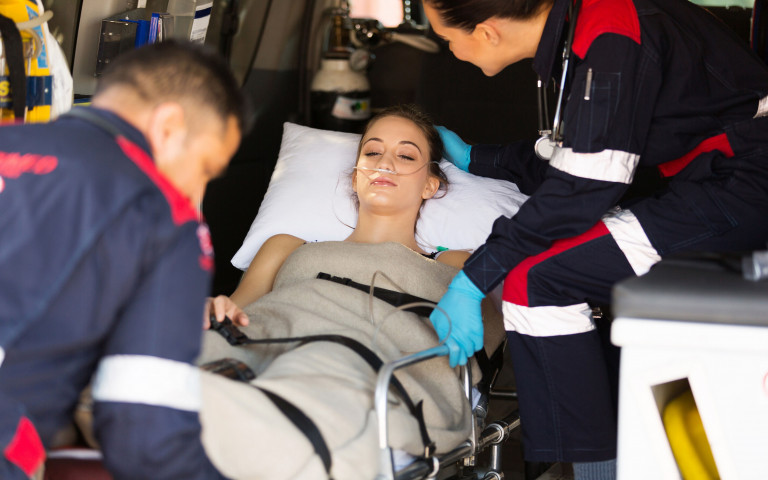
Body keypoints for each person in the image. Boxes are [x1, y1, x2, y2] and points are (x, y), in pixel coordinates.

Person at [421, 0, 768, 478]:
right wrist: (482, 159)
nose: (451, 51)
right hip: (718, 180)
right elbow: (583, 150)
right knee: (546, 277)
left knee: (533, 284)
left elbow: (582, 186)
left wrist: (473, 280)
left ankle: (595, 471)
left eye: (446, 39)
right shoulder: (586, 29)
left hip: (744, 183)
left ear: (487, 32)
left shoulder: (611, 32)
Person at [0, 41, 246, 479]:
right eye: (204, 168)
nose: (197, 195)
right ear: (169, 126)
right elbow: (145, 438)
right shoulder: (162, 217)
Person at [206, 104, 467, 324]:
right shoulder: (284, 247)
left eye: (406, 156)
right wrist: (212, 310)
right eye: (373, 152)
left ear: (430, 185)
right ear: (355, 179)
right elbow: (233, 318)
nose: (384, 164)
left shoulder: (453, 264)